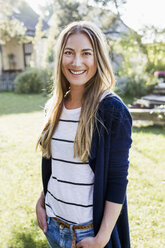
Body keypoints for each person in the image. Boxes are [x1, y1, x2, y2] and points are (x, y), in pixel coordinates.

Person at [36, 21, 132, 248]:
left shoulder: (112, 110)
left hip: (86, 233)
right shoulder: (55, 106)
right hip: (53, 225)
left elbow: (117, 182)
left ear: (97, 58)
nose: (76, 62)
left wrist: (101, 238)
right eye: (69, 52)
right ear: (60, 57)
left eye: (86, 53)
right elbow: (59, 167)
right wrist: (41, 202)